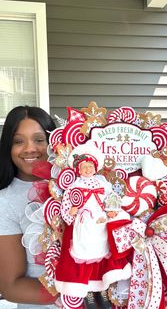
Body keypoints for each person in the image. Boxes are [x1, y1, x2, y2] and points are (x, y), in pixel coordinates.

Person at [54, 143, 131, 300]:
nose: (88, 169)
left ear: (96, 168)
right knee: (84, 254)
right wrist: (71, 211)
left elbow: (112, 198)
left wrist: (112, 210)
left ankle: (102, 289)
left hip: (101, 223)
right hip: (83, 225)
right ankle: (88, 290)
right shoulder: (74, 187)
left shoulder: (103, 184)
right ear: (78, 170)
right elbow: (67, 207)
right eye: (84, 167)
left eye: (90, 166)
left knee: (102, 252)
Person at [0, 106, 59, 308]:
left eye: (39, 140)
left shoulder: (78, 184)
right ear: (8, 146)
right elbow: (11, 286)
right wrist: (77, 293)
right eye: (18, 141)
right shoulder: (5, 201)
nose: (29, 149)